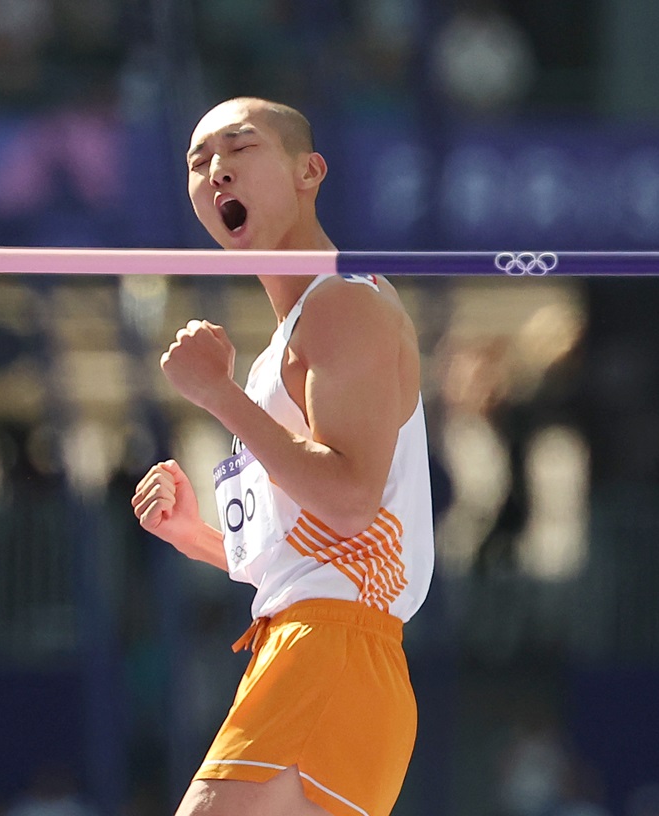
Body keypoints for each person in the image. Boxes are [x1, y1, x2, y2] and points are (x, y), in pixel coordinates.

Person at [131, 97, 435, 816]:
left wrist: (217, 394)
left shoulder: (343, 304)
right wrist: (195, 537)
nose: (216, 172)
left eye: (240, 149)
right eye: (199, 163)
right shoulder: (288, 344)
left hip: (329, 651)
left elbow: (351, 496)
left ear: (309, 171)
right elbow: (314, 548)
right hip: (312, 645)